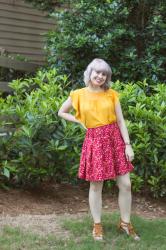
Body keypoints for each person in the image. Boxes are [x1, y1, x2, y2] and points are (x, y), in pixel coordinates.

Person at [58, 58, 140, 241]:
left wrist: (128, 144)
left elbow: (120, 121)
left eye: (104, 74)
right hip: (94, 141)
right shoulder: (77, 94)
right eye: (97, 72)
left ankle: (125, 223)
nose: (100, 76)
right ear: (89, 73)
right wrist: (78, 121)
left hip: (114, 139)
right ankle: (97, 226)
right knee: (96, 185)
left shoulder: (111, 94)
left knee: (126, 184)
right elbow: (61, 111)